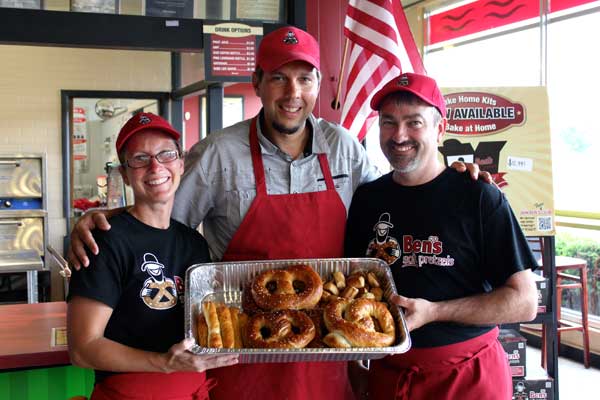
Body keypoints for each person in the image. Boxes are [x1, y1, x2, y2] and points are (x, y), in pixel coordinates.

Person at [67, 28, 487, 400]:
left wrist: (445, 175)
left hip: (327, 350)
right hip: (241, 355)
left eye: (304, 79)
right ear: (257, 84)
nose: (292, 93)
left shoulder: (344, 147)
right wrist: (107, 221)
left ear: (318, 84)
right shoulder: (218, 154)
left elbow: (398, 201)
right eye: (279, 78)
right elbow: (157, 212)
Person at [343, 72, 539, 399]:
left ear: (439, 129)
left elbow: (525, 302)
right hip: (390, 376)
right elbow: (350, 290)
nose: (399, 135)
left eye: (414, 122)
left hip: (468, 376)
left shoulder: (479, 196)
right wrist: (354, 369)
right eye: (388, 122)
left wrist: (435, 311)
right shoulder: (367, 200)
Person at [67, 113, 238, 400]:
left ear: (181, 163)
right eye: (140, 158)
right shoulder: (106, 240)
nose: (155, 166)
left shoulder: (194, 243)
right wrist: (164, 364)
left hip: (192, 392)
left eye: (166, 154)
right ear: (124, 174)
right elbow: (82, 348)